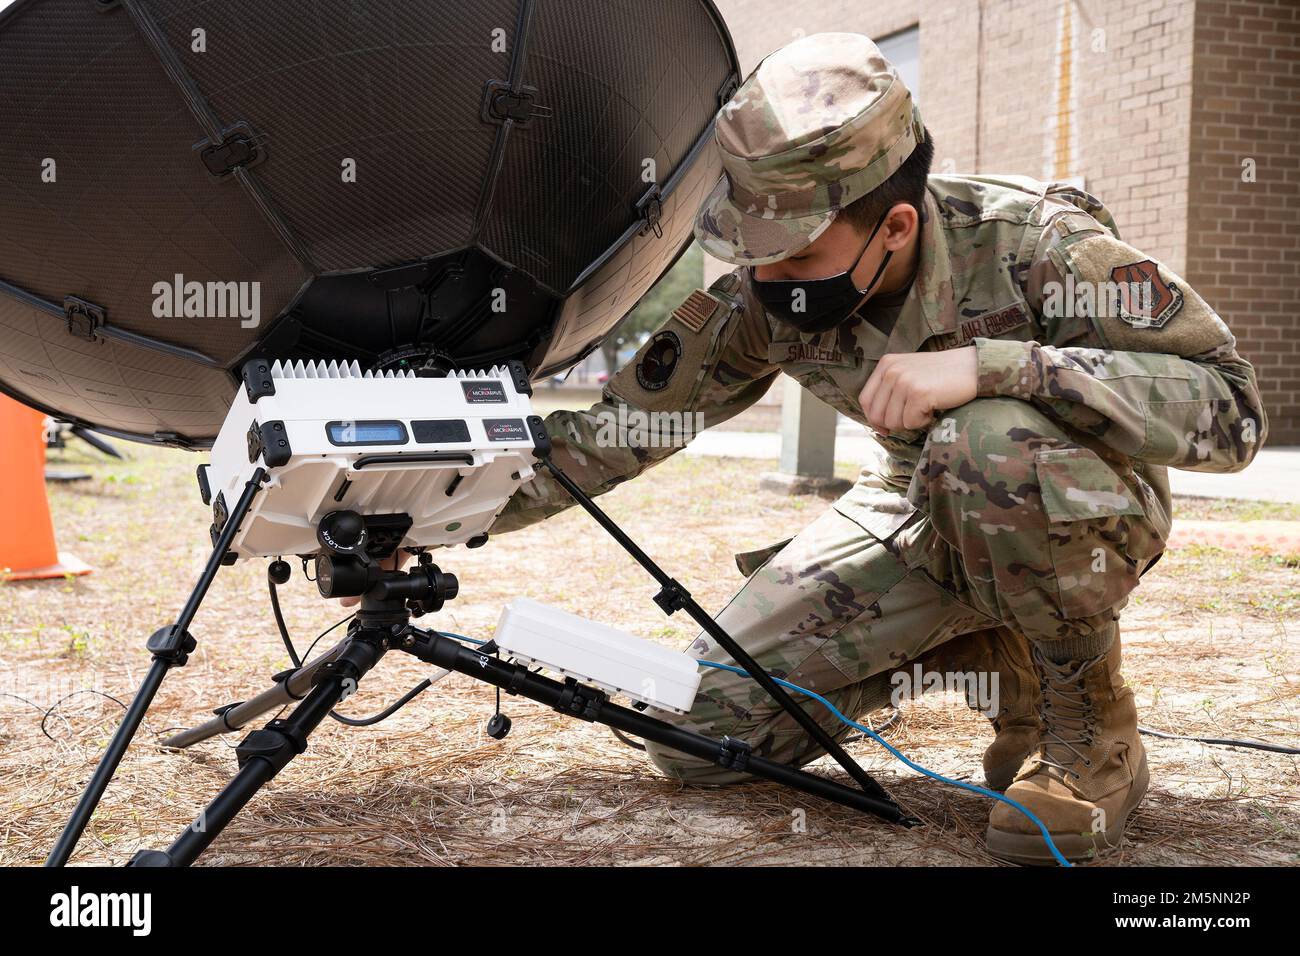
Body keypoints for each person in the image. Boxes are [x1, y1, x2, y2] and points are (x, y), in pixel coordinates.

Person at [480, 33, 1265, 864]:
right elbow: (615, 434)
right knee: (691, 734)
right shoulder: (762, 296)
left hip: (1073, 502)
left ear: (893, 225)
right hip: (913, 504)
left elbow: (1232, 406)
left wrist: (999, 368)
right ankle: (990, 656)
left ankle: (1092, 732)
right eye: (751, 252)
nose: (766, 280)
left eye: (795, 254)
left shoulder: (1035, 246)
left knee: (982, 438)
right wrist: (427, 515)